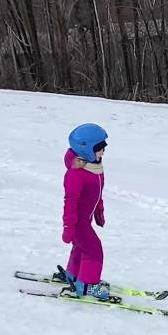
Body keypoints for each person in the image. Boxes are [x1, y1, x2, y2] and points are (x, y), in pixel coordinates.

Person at [61, 123, 109, 300]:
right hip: (77, 222)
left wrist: (99, 212)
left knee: (81, 248)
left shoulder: (94, 168)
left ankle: (73, 275)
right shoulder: (76, 174)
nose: (103, 152)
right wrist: (68, 227)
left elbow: (97, 193)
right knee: (94, 250)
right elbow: (70, 204)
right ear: (86, 149)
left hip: (85, 220)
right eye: (99, 149)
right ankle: (87, 285)